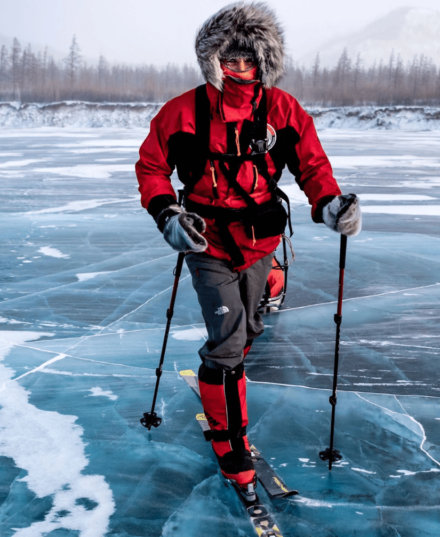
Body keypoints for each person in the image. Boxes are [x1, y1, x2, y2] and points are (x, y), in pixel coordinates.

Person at [135, 2, 361, 499]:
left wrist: (330, 205)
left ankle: (267, 289)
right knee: (229, 338)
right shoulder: (183, 111)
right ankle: (228, 439)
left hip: (261, 239)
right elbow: (151, 166)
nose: (238, 70)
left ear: (264, 62)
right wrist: (167, 214)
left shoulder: (282, 109)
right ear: (213, 60)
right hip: (205, 241)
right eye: (229, 60)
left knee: (249, 328)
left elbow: (311, 165)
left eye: (247, 61)